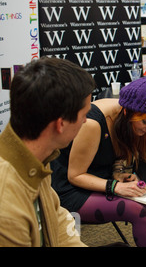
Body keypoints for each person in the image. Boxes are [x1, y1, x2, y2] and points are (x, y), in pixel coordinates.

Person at [51, 77, 146, 247]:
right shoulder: (93, 124)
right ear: (127, 113)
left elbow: (116, 154)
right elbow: (75, 175)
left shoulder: (124, 116)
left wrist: (119, 173)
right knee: (139, 210)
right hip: (70, 191)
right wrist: (115, 186)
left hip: (99, 179)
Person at [0, 57, 96, 247]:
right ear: (60, 124)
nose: (85, 122)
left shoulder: (37, 157)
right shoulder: (6, 204)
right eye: (84, 115)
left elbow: (55, 218)